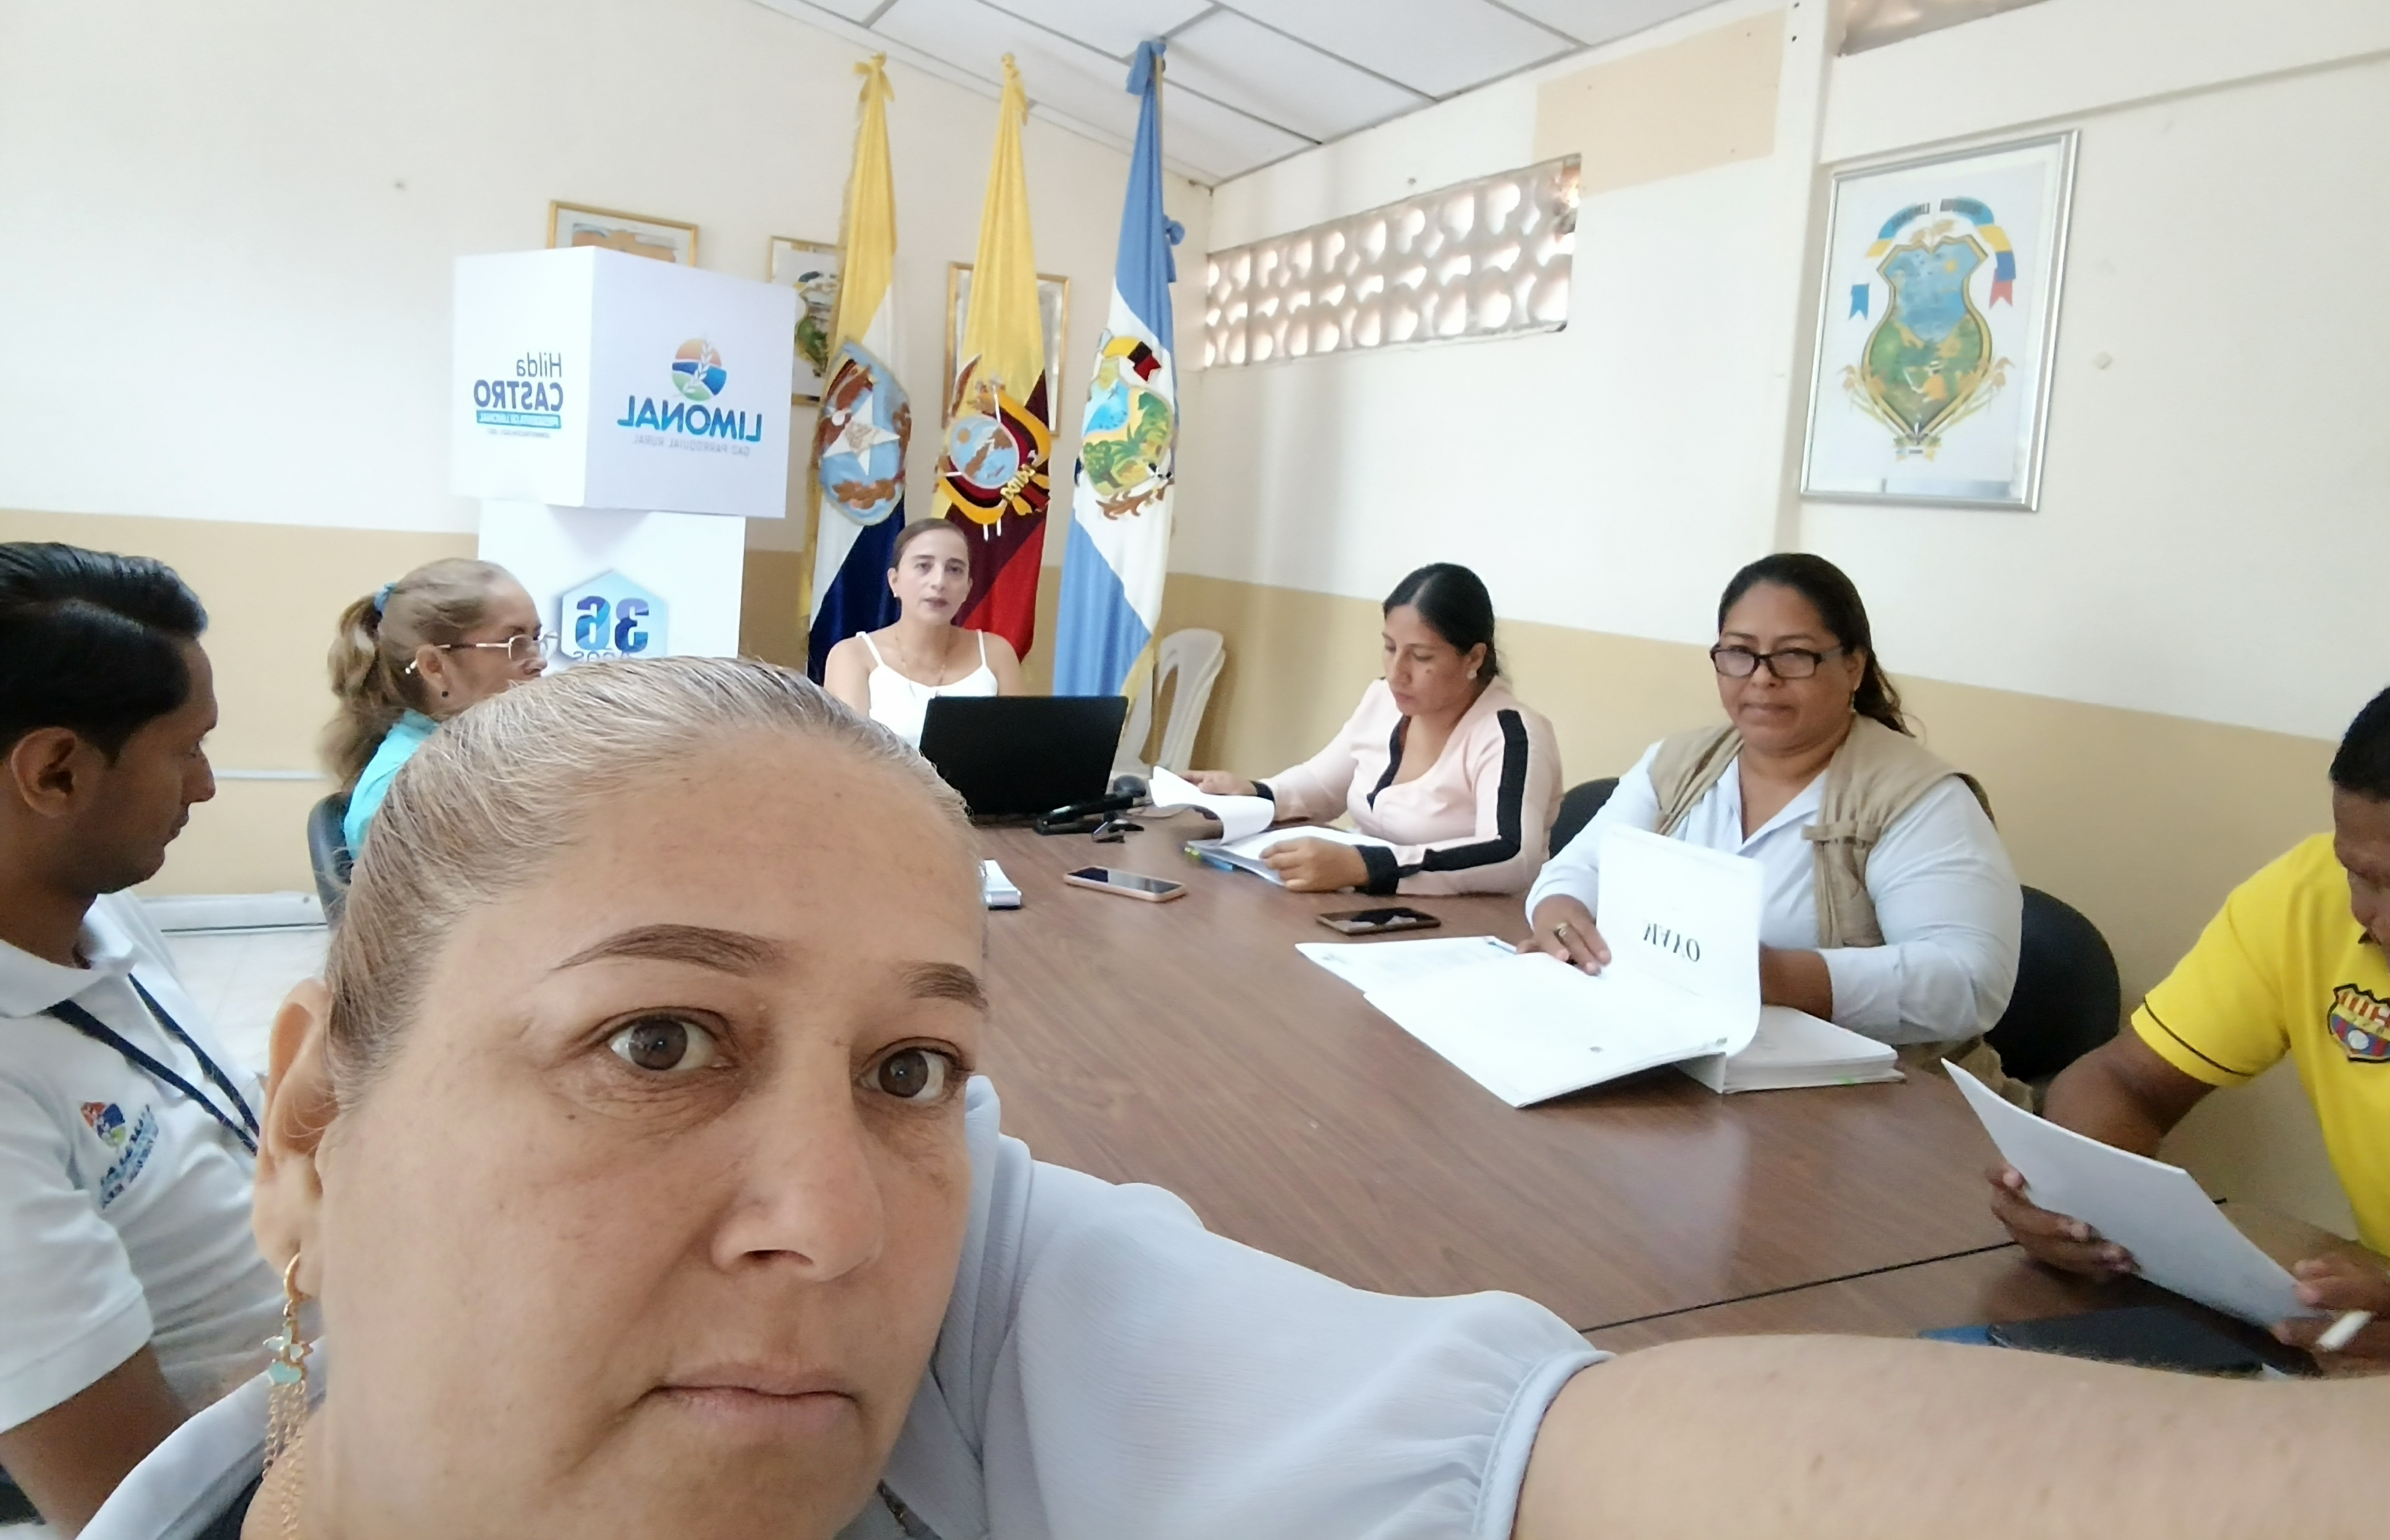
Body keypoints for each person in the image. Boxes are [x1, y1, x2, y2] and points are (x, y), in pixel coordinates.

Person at [81, 657, 2390, 1540]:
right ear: (316, 1134)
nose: (835, 1214)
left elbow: (1556, 1462)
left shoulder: (963, 1283)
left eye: (913, 1066)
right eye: (657, 1039)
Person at [0, 544, 282, 1536]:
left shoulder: (94, 913)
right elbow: (135, 1510)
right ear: (57, 772)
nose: (204, 786)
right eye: (187, 749)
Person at [1990, 685, 2390, 1360]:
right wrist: (2082, 1202)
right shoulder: (2305, 897)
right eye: (2363, 877)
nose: (2373, 918)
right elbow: (2125, 1078)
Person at [1523, 554, 2020, 1063]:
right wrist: (1561, 915)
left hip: (1870, 1093)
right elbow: (1580, 867)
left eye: (1794, 655)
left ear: (1854, 666)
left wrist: (1776, 976)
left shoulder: (1918, 798)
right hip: (1678, 1056)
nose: (1762, 678)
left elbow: (1972, 979)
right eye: (1740, 653)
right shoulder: (1677, 764)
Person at [1187, 563, 1561, 895]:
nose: (1397, 673)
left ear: (1474, 657)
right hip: (1372, 908)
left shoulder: (1511, 735)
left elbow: (1511, 854)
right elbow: (1322, 786)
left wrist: (1366, 867)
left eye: (1422, 656)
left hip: (1466, 924)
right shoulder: (1383, 699)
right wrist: (1253, 793)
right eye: (1390, 648)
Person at [323, 559, 545, 857]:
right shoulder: (400, 789)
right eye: (513, 642)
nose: (539, 661)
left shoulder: (496, 755)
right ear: (434, 667)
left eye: (535, 639)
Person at [822, 517, 1025, 747]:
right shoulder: (852, 656)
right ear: (895, 581)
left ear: (968, 588)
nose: (940, 582)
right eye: (924, 566)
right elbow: (846, 757)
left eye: (955, 570)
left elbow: (1018, 749)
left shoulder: (996, 654)